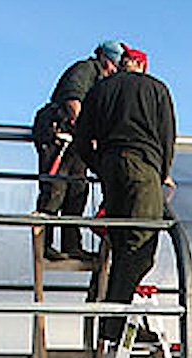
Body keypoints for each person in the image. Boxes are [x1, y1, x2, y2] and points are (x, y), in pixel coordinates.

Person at [74, 46, 176, 342]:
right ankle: (114, 325)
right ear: (142, 66)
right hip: (142, 168)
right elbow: (166, 136)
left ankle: (113, 321)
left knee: (120, 244)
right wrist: (162, 173)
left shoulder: (100, 89)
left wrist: (99, 166)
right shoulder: (156, 89)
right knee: (142, 250)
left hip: (110, 168)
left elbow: (82, 138)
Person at [31, 40, 126, 262]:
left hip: (77, 142)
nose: (114, 68)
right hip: (59, 137)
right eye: (113, 63)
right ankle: (44, 245)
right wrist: (86, 129)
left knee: (77, 190)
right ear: (104, 57)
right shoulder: (85, 69)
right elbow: (73, 101)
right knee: (54, 190)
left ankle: (71, 245)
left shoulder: (102, 81)